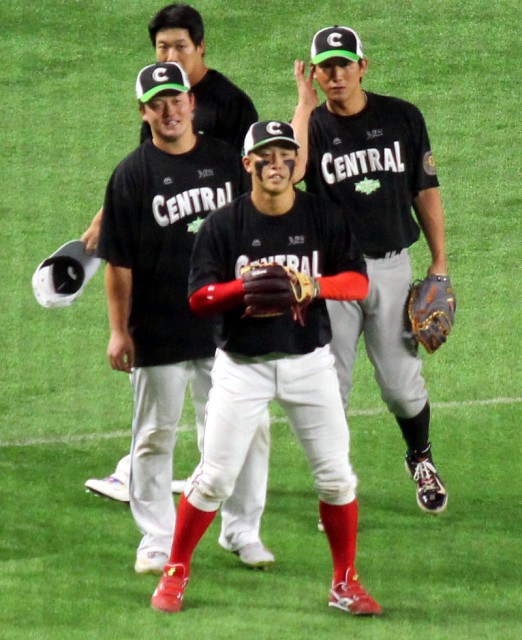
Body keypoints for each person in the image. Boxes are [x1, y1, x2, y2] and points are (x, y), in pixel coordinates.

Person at [150, 120, 382, 616]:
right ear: (248, 163)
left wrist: (313, 286)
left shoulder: (322, 215)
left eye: (284, 156)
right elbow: (198, 298)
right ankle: (175, 571)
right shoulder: (224, 224)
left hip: (309, 364)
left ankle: (344, 582)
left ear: (296, 163)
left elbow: (358, 283)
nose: (276, 164)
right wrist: (244, 287)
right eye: (266, 156)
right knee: (214, 479)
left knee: (337, 478)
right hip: (242, 367)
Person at [83, 4, 265, 559]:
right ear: (144, 111)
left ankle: (242, 530)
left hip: (223, 325)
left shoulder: (228, 162)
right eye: (157, 103)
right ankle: (158, 540)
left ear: (191, 102)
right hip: (158, 328)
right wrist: (119, 331)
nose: (169, 111)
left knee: (242, 430)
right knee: (153, 437)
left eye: (176, 100)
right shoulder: (131, 175)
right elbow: (118, 262)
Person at [292, 26, 449, 514]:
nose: (336, 74)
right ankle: (336, 489)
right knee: (329, 389)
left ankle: (420, 458)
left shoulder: (402, 117)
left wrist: (440, 263)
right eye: (326, 67)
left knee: (402, 388)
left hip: (391, 268)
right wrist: (303, 106)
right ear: (315, 73)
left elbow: (425, 190)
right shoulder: (312, 126)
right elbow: (291, 173)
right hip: (332, 277)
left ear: (363, 66)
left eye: (344, 64)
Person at [81, 2, 257, 251]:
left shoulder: (232, 104)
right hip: (170, 222)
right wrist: (106, 217)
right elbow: (148, 165)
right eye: (163, 47)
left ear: (201, 46)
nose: (171, 57)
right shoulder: (155, 100)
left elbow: (244, 178)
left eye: (181, 46)